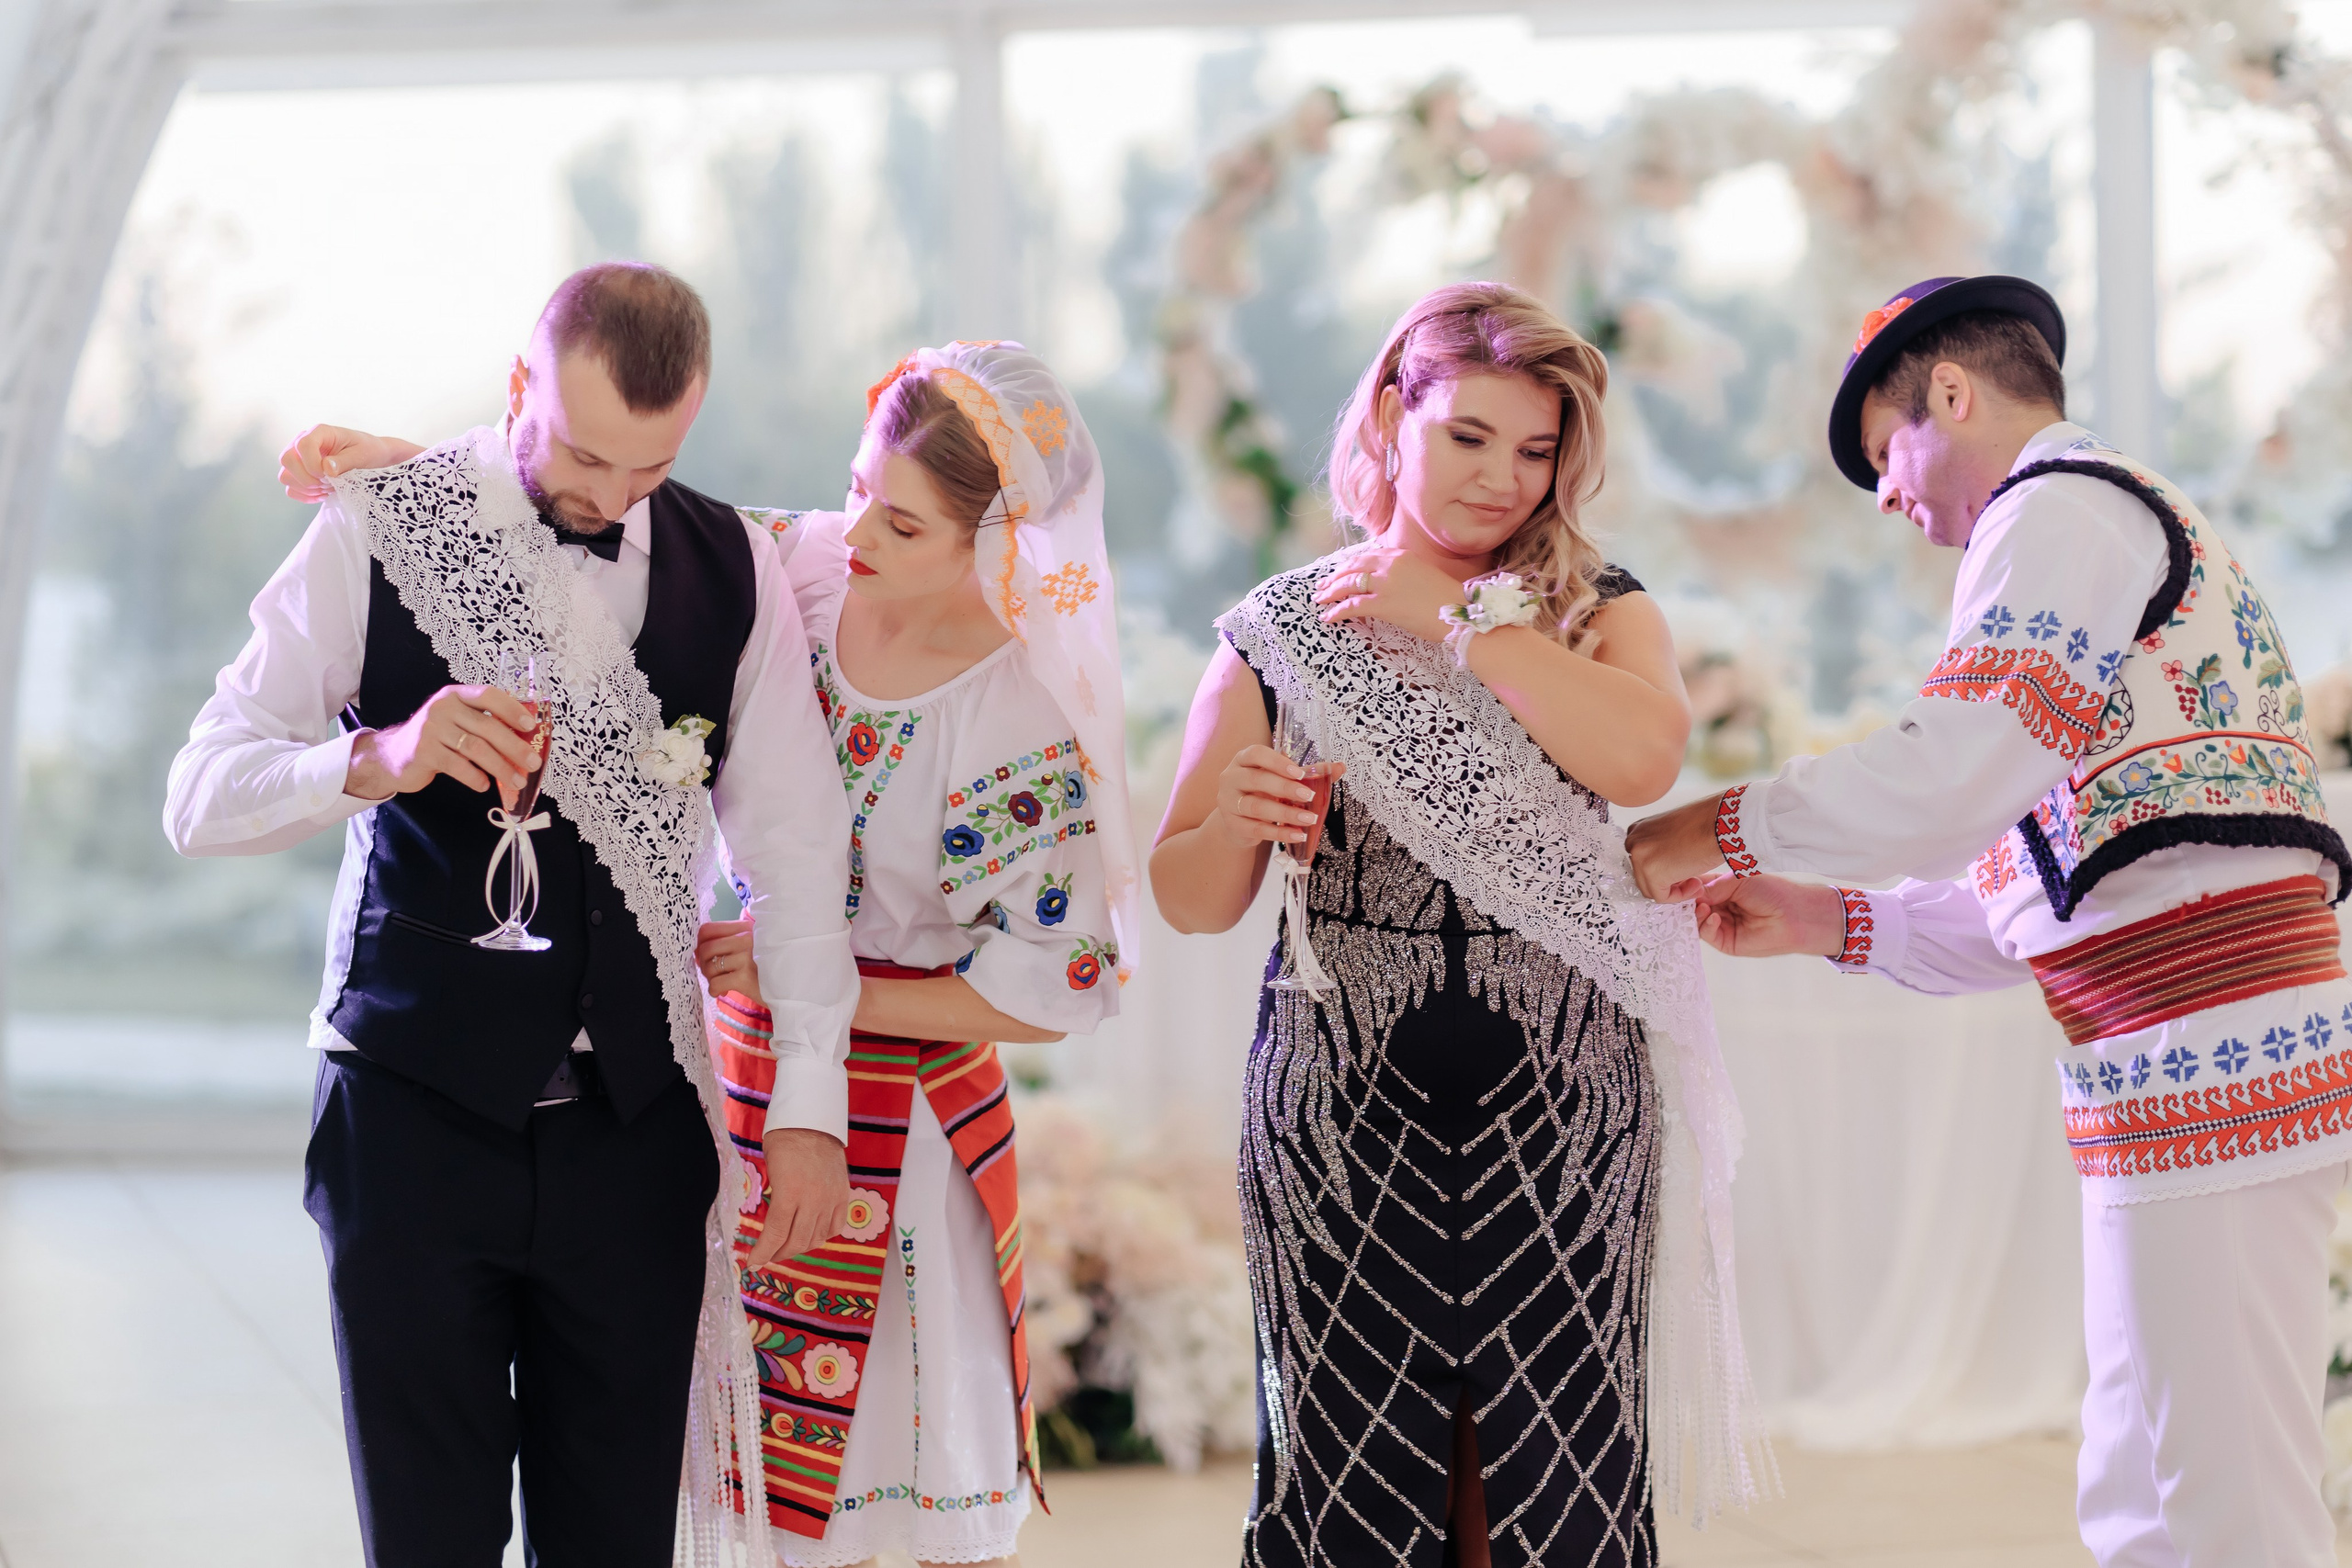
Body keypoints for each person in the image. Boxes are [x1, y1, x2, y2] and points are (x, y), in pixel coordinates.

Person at [281, 340, 1135, 1568]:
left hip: (903, 1133)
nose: (855, 532)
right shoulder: (807, 573)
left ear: (994, 541)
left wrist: (820, 994)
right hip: (727, 1082)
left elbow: (1050, 993)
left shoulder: (1011, 715)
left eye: (901, 523)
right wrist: (412, 468)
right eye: (854, 487)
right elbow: (612, 512)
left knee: (880, 1487)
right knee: (682, 1473)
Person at [1625, 274, 2352, 1568]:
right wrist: (1818, 916)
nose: (1895, 501)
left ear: (1950, 394)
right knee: (2148, 1479)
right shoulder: (2097, 524)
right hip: (2178, 1066)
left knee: (2223, 1497)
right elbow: (2039, 892)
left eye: (1886, 458)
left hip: (2208, 1053)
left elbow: (1956, 769)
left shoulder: (2059, 508)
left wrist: (1721, 825)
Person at [169, 263, 858, 1568]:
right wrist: (376, 756)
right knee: (427, 1545)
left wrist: (812, 1111)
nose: (608, 501)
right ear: (515, 391)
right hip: (411, 1124)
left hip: (637, 1143)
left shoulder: (740, 568)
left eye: (647, 472)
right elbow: (197, 794)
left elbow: (799, 852)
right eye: (584, 457)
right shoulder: (378, 530)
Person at [1149, 280, 1767, 1568]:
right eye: (1467, 438)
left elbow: (1645, 753)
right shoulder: (1282, 631)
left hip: (1565, 1093)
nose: (1502, 479)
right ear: (1391, 417)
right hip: (1340, 1101)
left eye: (1536, 449)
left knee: (1557, 1467)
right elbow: (1189, 898)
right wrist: (1237, 823)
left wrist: (1460, 626)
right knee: (1351, 1467)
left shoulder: (1597, 604)